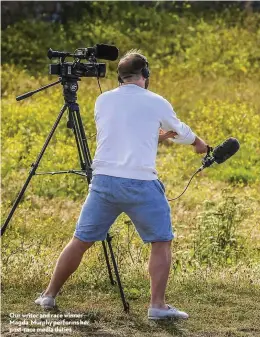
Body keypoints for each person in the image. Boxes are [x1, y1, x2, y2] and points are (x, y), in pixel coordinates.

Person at [35, 49, 208, 319]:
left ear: (120, 77)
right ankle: (157, 306)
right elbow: (182, 131)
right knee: (161, 241)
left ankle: (48, 295)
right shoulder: (156, 101)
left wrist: (155, 135)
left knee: (80, 240)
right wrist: (198, 143)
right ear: (145, 75)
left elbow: (122, 130)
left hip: (104, 182)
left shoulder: (102, 100)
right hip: (141, 183)